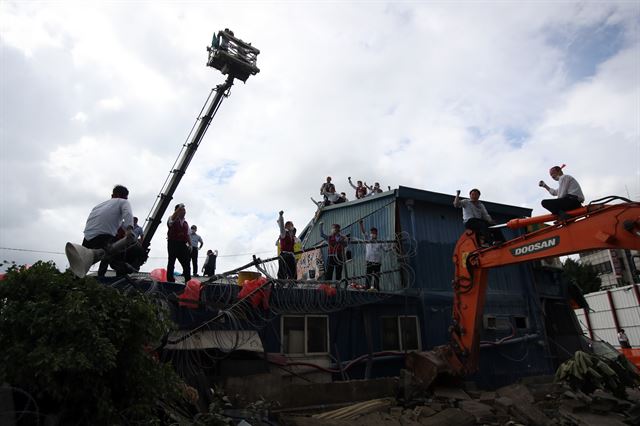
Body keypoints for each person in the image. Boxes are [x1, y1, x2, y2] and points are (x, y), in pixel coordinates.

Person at [82, 185, 134, 277]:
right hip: (104, 236)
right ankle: (121, 276)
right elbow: (128, 213)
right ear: (124, 196)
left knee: (83, 262)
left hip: (88, 237)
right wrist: (129, 229)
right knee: (115, 257)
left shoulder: (98, 206)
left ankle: (76, 278)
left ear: (113, 195)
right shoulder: (123, 202)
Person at [359, 220, 388, 291]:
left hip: (377, 261)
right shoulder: (367, 239)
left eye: (375, 233)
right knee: (368, 276)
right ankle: (367, 288)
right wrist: (361, 224)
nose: (373, 234)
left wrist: (392, 246)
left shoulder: (380, 241)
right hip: (369, 261)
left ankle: (376, 289)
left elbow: (386, 248)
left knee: (377, 276)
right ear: (370, 233)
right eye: (372, 233)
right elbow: (363, 232)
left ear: (377, 233)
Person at [166, 203, 191, 283]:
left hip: (182, 244)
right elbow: (171, 221)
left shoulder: (186, 223)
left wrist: (190, 245)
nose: (184, 211)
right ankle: (170, 280)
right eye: (181, 210)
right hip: (173, 243)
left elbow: (188, 234)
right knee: (171, 261)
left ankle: (188, 280)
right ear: (177, 211)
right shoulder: (172, 219)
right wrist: (178, 208)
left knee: (186, 263)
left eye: (184, 210)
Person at [277, 211, 297, 280]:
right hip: (284, 255)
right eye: (290, 225)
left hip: (291, 256)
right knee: (282, 273)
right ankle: (281, 286)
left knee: (293, 274)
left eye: (291, 225)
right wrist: (281, 216)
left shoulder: (293, 236)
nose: (291, 226)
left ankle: (293, 286)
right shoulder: (284, 233)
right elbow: (281, 226)